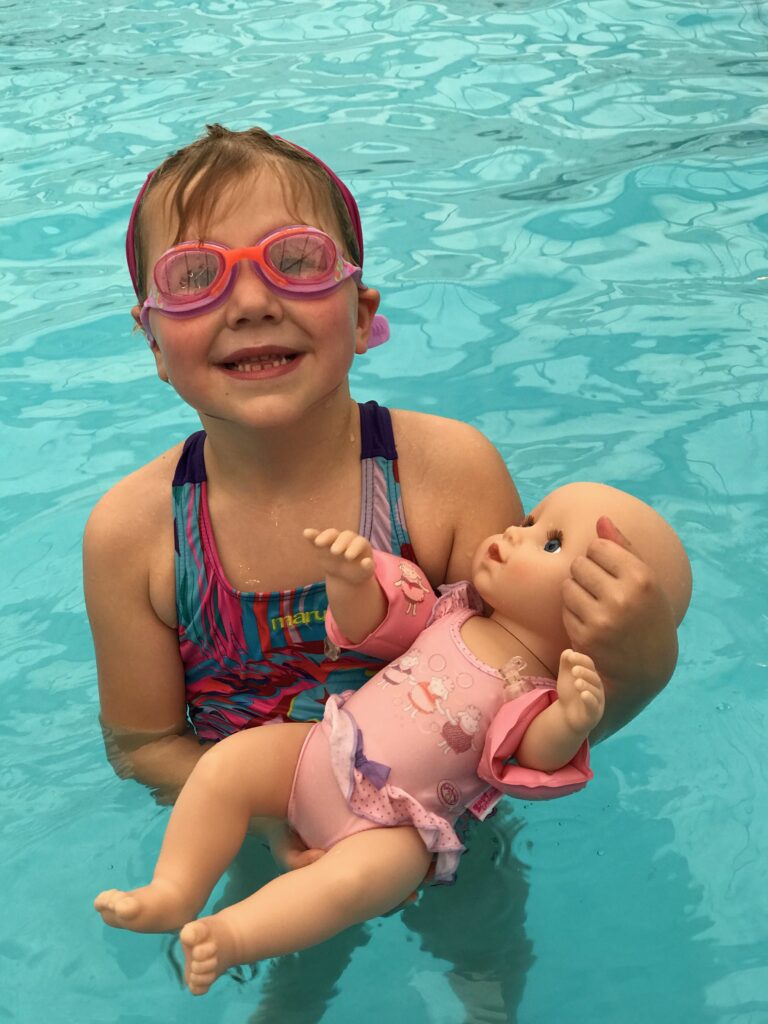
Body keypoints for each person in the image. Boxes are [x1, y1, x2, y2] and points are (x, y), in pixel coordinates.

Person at [93, 481, 692, 995]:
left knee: (350, 885)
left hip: (399, 827)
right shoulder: (454, 609)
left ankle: (230, 937)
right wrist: (353, 581)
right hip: (326, 750)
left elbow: (522, 756)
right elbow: (376, 631)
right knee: (229, 763)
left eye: (552, 543)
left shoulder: (538, 691)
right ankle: (174, 889)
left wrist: (574, 719)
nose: (515, 533)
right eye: (530, 520)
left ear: (595, 619)